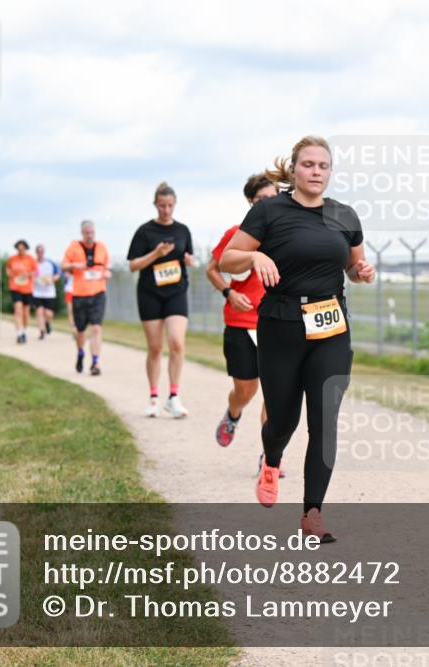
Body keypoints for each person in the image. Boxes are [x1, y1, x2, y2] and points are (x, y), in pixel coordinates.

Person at [220, 136, 375, 542]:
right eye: (308, 165)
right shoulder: (270, 211)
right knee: (283, 418)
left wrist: (362, 273)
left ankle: (312, 514)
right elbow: (227, 260)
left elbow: (353, 265)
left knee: (324, 420)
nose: (316, 172)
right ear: (293, 170)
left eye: (323, 166)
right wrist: (255, 256)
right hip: (282, 323)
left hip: (330, 326)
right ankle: (271, 459)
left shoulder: (344, 215)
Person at [206, 173, 277, 472]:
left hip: (275, 323)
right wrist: (229, 292)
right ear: (251, 203)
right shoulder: (237, 235)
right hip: (239, 323)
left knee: (276, 393)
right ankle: (233, 413)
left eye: (272, 199)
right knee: (246, 391)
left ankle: (270, 457)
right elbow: (213, 269)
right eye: (261, 200)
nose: (268, 205)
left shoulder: (285, 235)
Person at [127, 182, 196, 417]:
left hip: (176, 291)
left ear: (174, 204)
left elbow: (189, 256)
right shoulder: (145, 231)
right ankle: (154, 397)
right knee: (155, 348)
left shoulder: (183, 230)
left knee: (177, 342)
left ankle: (174, 396)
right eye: (162, 206)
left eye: (170, 206)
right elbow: (133, 265)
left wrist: (189, 260)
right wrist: (156, 254)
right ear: (155, 205)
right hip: (150, 293)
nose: (166, 210)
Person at [62, 220, 111, 375]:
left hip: (98, 293)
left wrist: (107, 273)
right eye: (87, 233)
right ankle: (80, 353)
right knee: (81, 330)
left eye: (92, 232)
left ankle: (95, 363)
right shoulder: (73, 248)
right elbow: (63, 266)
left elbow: (107, 267)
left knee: (96, 328)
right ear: (82, 233)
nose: (90, 235)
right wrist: (75, 265)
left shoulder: (102, 247)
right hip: (80, 294)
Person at [6, 240, 37, 344]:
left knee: (25, 313)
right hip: (15, 287)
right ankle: (19, 333)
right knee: (18, 310)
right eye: (19, 249)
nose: (21, 251)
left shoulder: (31, 259)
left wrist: (28, 274)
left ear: (26, 248)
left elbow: (36, 271)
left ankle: (24, 331)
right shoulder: (12, 259)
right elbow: (8, 269)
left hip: (27, 288)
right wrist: (10, 274)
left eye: (23, 249)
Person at [32, 244, 61, 340]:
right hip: (37, 292)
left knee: (48, 314)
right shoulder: (33, 263)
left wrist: (52, 280)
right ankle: (41, 331)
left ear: (44, 252)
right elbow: (30, 274)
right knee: (39, 312)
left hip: (49, 293)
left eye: (42, 251)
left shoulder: (50, 263)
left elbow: (58, 274)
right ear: (36, 252)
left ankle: (47, 323)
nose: (40, 253)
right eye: (38, 252)